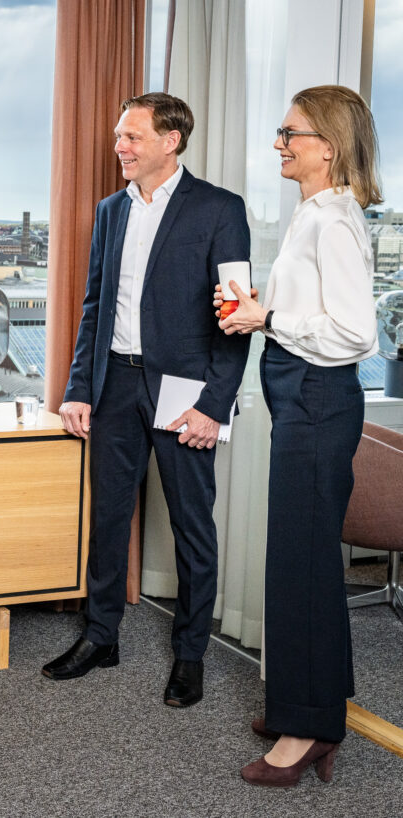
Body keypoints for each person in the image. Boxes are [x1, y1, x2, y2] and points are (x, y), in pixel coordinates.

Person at [42, 93, 250, 707]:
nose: (120, 147)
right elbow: (94, 305)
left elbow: (235, 316)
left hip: (186, 393)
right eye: (119, 136)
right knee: (108, 519)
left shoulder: (219, 209)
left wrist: (215, 405)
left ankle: (190, 654)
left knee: (192, 525)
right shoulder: (112, 210)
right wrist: (79, 388)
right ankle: (100, 636)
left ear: (170, 141)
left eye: (132, 136)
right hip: (115, 385)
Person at [216, 85, 380, 787]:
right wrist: (260, 308)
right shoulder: (313, 214)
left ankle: (309, 730)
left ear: (329, 147)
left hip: (317, 401)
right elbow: (314, 312)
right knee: (297, 561)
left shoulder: (334, 222)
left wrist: (268, 321)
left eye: (291, 133)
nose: (279, 144)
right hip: (303, 398)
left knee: (304, 567)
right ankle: (302, 705)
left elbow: (357, 334)